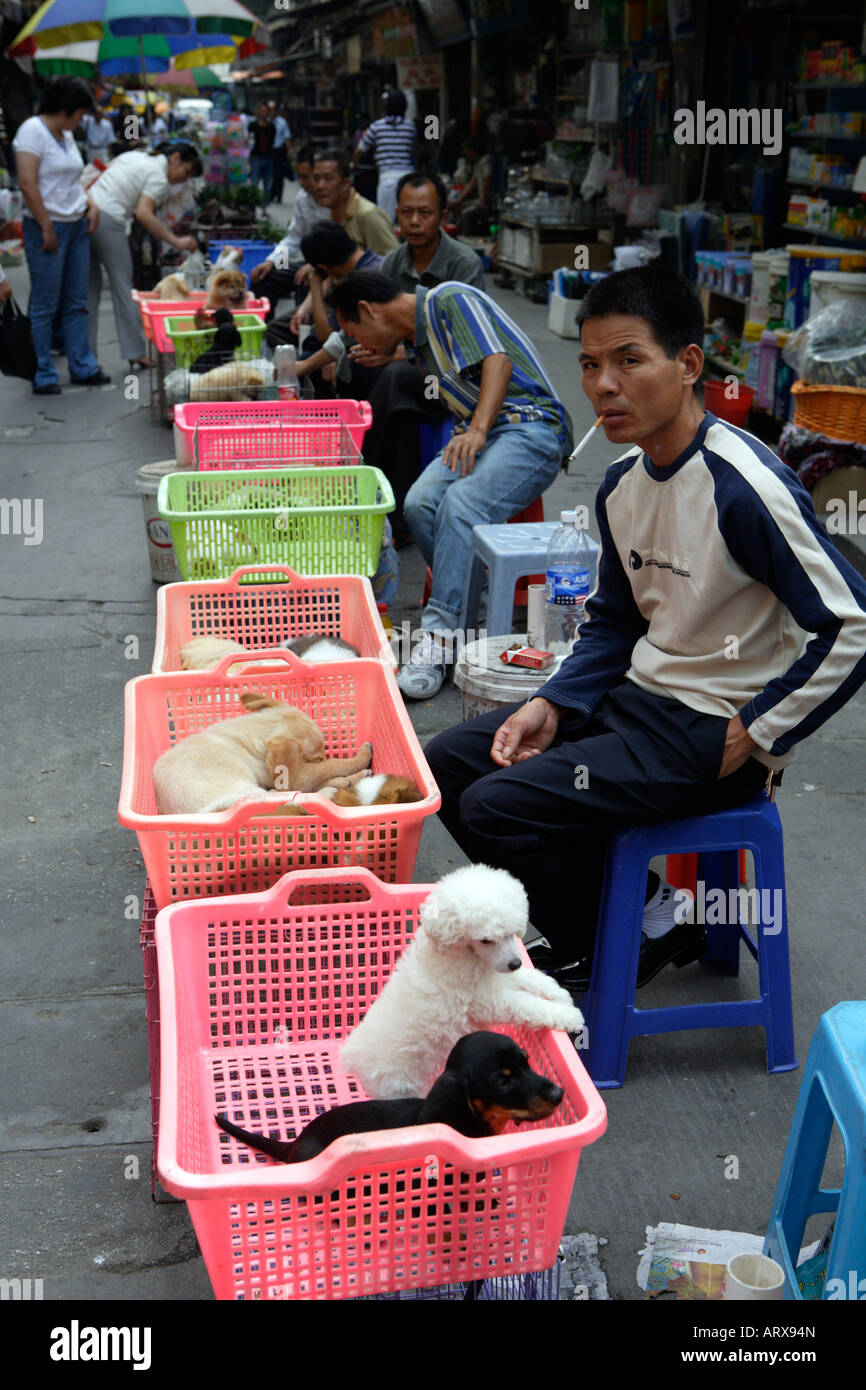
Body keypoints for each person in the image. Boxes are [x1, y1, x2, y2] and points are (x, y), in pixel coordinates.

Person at [422, 265, 866, 993]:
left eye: (630, 360)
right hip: (638, 706)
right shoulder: (621, 484)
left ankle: (622, 939)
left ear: (688, 365)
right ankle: (650, 918)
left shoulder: (744, 488)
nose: (603, 384)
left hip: (714, 735)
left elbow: (850, 625)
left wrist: (754, 731)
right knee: (455, 761)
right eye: (592, 365)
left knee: (496, 808)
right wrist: (555, 703)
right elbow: (615, 623)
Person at [330, 270, 572, 697]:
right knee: (420, 502)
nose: (358, 344)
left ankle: (439, 639)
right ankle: (471, 614)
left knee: (461, 501)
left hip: (531, 426)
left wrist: (477, 430)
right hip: (488, 433)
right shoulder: (420, 344)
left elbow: (498, 361)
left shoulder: (449, 298)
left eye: (354, 331)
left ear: (368, 310)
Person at [348, 173, 487, 543]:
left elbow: (467, 343)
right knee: (367, 376)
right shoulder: (393, 262)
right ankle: (393, 510)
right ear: (397, 214)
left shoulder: (463, 264)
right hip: (411, 378)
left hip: (455, 376)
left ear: (443, 214)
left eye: (425, 213)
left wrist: (398, 351)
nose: (414, 221)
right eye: (407, 212)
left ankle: (367, 496)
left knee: (394, 377)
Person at [12, 76, 109, 395]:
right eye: (80, 113)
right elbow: (28, 183)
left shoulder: (66, 136)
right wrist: (45, 226)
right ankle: (42, 372)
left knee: (76, 301)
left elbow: (72, 180)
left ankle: (82, 366)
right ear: (65, 109)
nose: (82, 121)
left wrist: (91, 204)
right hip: (46, 227)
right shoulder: (32, 131)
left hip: (76, 225)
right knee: (45, 303)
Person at [86, 141, 201, 370]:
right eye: (186, 172)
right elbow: (144, 214)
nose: (183, 180)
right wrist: (176, 241)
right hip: (109, 220)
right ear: (175, 158)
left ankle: (86, 360)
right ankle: (135, 352)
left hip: (88, 211)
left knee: (89, 292)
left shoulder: (137, 157)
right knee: (123, 287)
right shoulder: (158, 176)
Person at [288, 148, 398, 342]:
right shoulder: (331, 213)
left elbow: (394, 266)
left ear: (346, 183)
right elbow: (331, 269)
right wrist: (305, 308)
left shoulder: (368, 216)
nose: (320, 186)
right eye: (316, 178)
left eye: (328, 178)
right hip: (337, 296)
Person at [249, 144, 328, 320]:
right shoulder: (302, 198)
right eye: (299, 176)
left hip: (329, 269)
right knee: (265, 277)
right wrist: (272, 262)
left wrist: (316, 266)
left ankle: (302, 334)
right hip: (307, 264)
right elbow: (293, 239)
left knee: (305, 279)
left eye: (306, 177)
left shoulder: (334, 199)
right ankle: (266, 330)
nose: (302, 182)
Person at [354, 90, 417, 225]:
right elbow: (416, 149)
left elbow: (360, 150)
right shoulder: (411, 127)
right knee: (409, 221)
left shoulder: (376, 127)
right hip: (409, 178)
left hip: (387, 179)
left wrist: (353, 164)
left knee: (386, 223)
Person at [450, 133, 494, 236]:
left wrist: (484, 197)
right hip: (480, 201)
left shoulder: (486, 161)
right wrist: (458, 201)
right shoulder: (478, 164)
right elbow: (472, 184)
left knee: (466, 214)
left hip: (486, 202)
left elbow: (488, 178)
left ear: (473, 150)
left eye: (467, 151)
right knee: (457, 208)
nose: (467, 154)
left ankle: (465, 238)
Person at [248, 103, 275, 194]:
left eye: (265, 111)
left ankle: (264, 206)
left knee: (268, 184)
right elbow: (249, 141)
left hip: (268, 157)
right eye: (262, 110)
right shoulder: (253, 125)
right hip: (256, 157)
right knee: (254, 183)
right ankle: (252, 205)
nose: (263, 113)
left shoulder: (272, 127)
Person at [269, 101, 291, 202]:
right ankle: (270, 195)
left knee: (279, 175)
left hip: (279, 151)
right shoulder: (266, 122)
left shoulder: (282, 122)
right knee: (271, 174)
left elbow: (287, 138)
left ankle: (278, 196)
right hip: (269, 151)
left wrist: (288, 152)